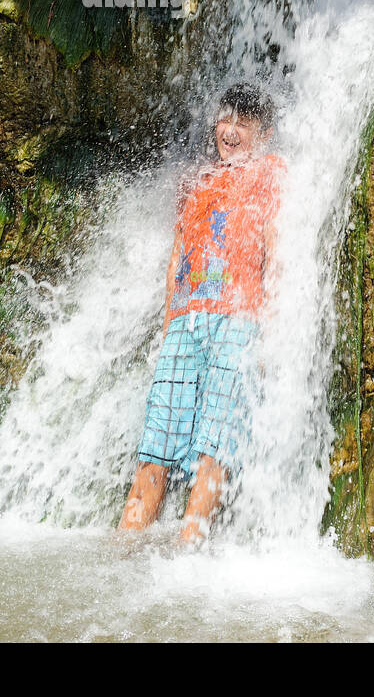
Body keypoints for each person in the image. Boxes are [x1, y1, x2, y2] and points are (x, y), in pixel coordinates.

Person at [119, 82, 285, 543]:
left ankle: (189, 546)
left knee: (215, 442)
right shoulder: (196, 182)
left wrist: (272, 332)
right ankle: (125, 544)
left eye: (243, 123)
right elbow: (177, 255)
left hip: (239, 319)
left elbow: (276, 251)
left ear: (264, 134)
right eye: (224, 119)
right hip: (186, 321)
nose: (229, 131)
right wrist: (170, 320)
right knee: (156, 443)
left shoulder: (270, 172)